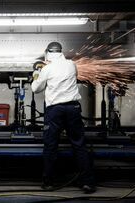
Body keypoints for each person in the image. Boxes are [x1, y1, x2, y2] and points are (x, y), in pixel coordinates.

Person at [31, 42, 96, 193]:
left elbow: (36, 88)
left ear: (47, 53)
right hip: (73, 108)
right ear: (61, 52)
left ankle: (48, 183)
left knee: (51, 146)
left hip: (55, 110)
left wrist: (36, 74)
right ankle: (88, 182)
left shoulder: (47, 68)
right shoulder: (72, 64)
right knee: (79, 145)